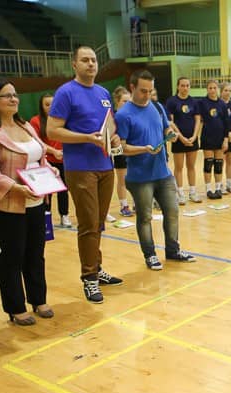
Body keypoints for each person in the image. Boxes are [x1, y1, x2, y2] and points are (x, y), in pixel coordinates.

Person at [0, 79, 56, 326]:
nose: (13, 99)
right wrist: (16, 188)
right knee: (13, 255)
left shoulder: (25, 125)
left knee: (36, 253)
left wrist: (50, 171)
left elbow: (39, 158)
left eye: (15, 94)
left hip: (36, 201)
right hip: (8, 204)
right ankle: (15, 307)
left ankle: (38, 299)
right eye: (6, 95)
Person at [47, 45, 123, 304]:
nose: (91, 64)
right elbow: (53, 131)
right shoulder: (66, 92)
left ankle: (96, 268)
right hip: (80, 167)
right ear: (74, 65)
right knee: (88, 224)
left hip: (105, 165)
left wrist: (114, 138)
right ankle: (89, 278)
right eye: (85, 60)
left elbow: (109, 127)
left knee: (98, 223)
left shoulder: (103, 93)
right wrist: (86, 138)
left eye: (93, 60)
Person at [115, 70, 196, 271]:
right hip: (140, 177)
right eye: (143, 91)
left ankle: (173, 250)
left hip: (163, 173)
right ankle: (150, 255)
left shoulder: (157, 107)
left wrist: (170, 133)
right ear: (132, 88)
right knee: (145, 217)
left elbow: (165, 128)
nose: (147, 95)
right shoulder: (123, 115)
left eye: (150, 91)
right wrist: (144, 149)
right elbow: (122, 147)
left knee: (172, 211)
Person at [30, 93, 72, 228]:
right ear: (41, 107)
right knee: (48, 191)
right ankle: (46, 217)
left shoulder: (63, 120)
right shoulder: (35, 121)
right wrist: (54, 151)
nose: (51, 107)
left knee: (63, 190)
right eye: (47, 104)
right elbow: (37, 142)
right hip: (47, 161)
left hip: (63, 160)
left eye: (53, 104)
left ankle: (64, 215)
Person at [166, 77, 202, 204]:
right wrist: (181, 137)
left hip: (192, 139)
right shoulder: (172, 101)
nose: (185, 88)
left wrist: (195, 136)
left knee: (191, 166)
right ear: (178, 86)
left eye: (187, 85)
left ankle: (192, 192)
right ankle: (180, 193)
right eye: (182, 85)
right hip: (178, 139)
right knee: (179, 167)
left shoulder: (194, 102)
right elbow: (171, 122)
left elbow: (198, 120)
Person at [198, 79, 229, 199]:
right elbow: (198, 119)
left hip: (220, 138)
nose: (212, 90)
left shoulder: (222, 104)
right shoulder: (202, 103)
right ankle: (208, 189)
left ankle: (218, 188)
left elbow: (226, 123)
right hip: (207, 137)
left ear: (218, 89)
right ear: (207, 89)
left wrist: (226, 139)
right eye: (210, 88)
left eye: (214, 88)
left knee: (219, 164)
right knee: (208, 163)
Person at [110, 86, 133, 218]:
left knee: (135, 177)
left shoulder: (131, 115)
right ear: (117, 101)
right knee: (122, 179)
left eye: (129, 101)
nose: (127, 104)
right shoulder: (113, 117)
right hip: (120, 151)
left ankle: (136, 203)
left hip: (133, 149)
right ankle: (124, 205)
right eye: (124, 101)